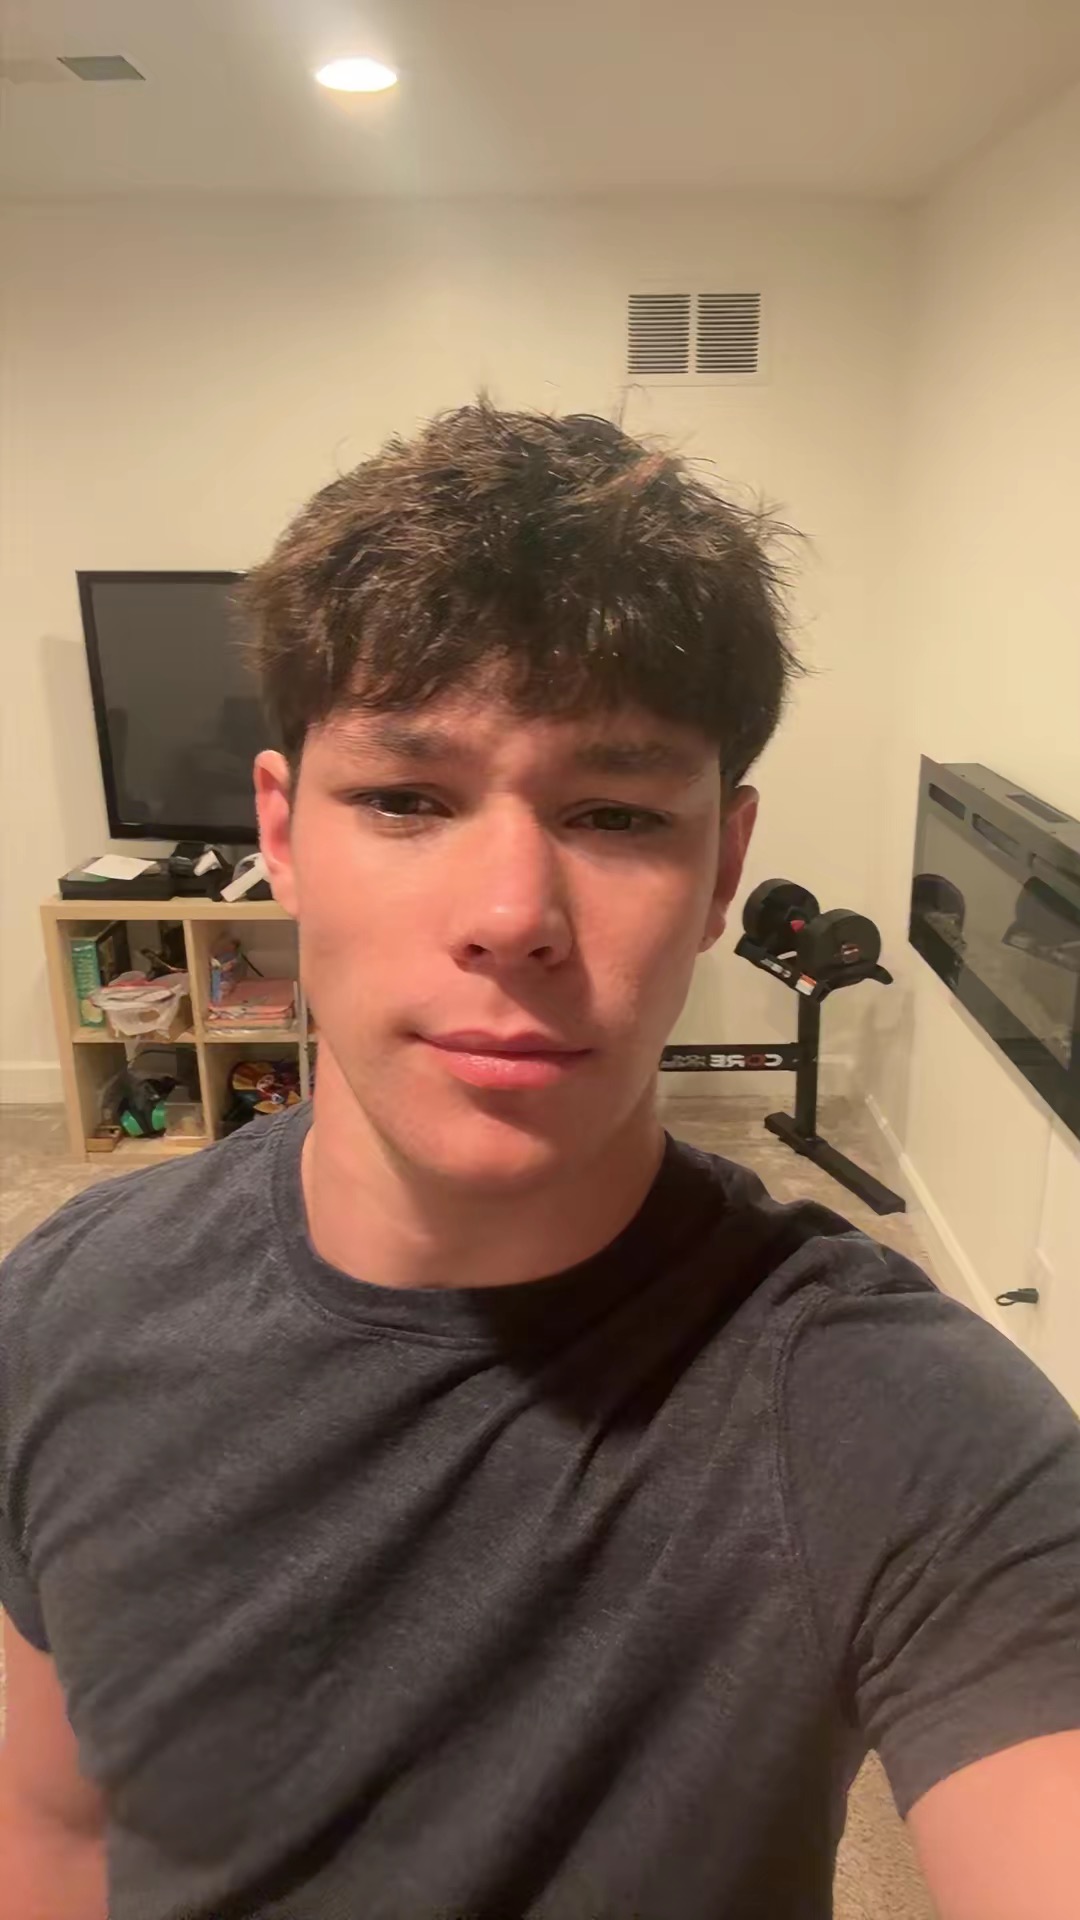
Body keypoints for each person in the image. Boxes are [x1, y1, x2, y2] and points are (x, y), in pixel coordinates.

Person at [1, 403, 1078, 1920]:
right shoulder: (61, 1313)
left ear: (722, 867)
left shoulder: (904, 1422)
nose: (512, 914)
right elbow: (47, 1834)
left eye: (614, 813)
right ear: (282, 835)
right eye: (406, 798)